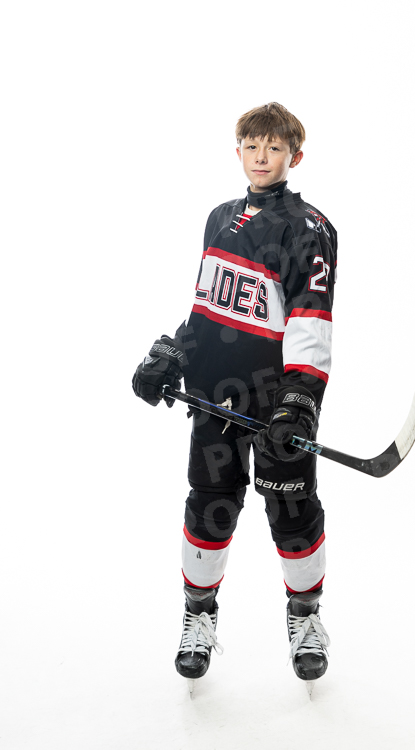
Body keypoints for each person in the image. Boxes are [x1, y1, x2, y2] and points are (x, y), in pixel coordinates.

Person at [132, 102, 337, 692]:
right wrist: (174, 352)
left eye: (274, 147)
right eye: (252, 146)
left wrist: (299, 400)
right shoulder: (219, 217)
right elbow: (208, 304)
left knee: (292, 513)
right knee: (209, 505)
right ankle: (198, 615)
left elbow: (311, 320)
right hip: (215, 397)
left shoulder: (310, 228)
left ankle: (306, 618)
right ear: (238, 150)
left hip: (276, 402)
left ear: (296, 155)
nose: (261, 157)